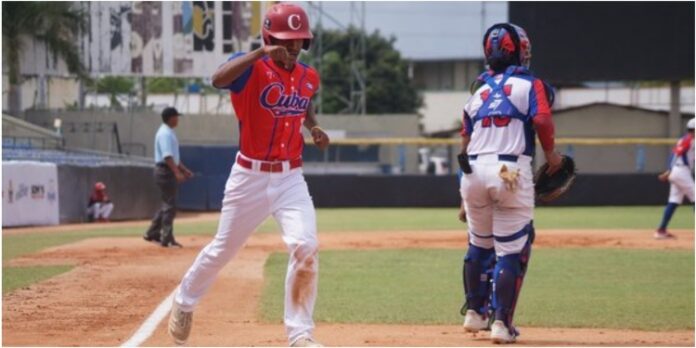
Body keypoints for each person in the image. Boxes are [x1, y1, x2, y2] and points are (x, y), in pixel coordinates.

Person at [167, 4, 329, 347]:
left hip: (290, 178)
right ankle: (184, 300)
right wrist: (258, 53)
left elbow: (304, 100)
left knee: (306, 246)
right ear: (269, 38)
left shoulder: (308, 76)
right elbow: (216, 79)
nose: (294, 47)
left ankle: (300, 335)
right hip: (249, 177)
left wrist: (313, 126)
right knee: (222, 250)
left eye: (299, 40)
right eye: (286, 40)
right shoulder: (250, 68)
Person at [457, 23, 562, 344]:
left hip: (472, 171)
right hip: (510, 170)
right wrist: (552, 156)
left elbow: (464, 141)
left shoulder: (478, 93)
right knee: (511, 250)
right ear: (519, 51)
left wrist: (462, 195)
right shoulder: (532, 85)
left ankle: (474, 314)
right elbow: (542, 119)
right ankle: (501, 323)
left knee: (479, 244)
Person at [143, 107, 193, 248]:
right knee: (170, 206)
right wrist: (177, 172)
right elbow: (167, 156)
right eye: (176, 116)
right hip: (165, 171)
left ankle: (152, 233)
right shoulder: (165, 133)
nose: (177, 119)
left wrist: (183, 169)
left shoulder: (168, 132)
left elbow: (174, 157)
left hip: (166, 169)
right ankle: (167, 238)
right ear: (170, 118)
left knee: (167, 204)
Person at [655, 118, 695, 239]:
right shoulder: (688, 140)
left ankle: (661, 230)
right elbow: (675, 155)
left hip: (680, 172)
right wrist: (669, 170)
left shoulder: (689, 140)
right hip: (680, 171)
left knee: (674, 200)